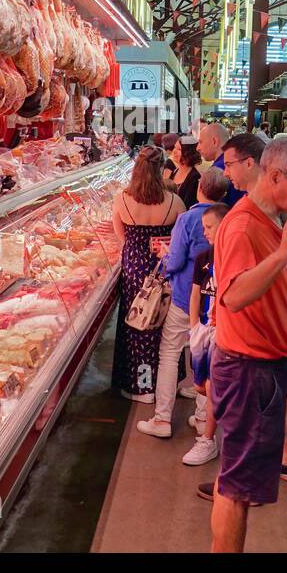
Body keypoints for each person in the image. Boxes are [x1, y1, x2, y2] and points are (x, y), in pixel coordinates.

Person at [206, 135, 287, 552]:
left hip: (260, 367)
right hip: (249, 370)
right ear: (274, 176)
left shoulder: (269, 219)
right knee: (237, 487)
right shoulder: (242, 225)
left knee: (237, 479)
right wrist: (283, 254)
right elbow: (233, 296)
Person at [137, 167, 232, 439]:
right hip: (215, 302)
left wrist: (165, 255)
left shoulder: (189, 218)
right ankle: (203, 417)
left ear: (200, 187)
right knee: (204, 355)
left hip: (183, 298)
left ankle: (162, 418)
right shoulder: (230, 217)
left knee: (169, 353)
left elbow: (177, 262)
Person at [111, 146, 186, 403]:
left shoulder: (122, 199)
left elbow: (120, 234)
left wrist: (136, 246)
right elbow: (181, 240)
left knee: (135, 324)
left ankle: (140, 387)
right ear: (161, 169)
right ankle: (162, 383)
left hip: (134, 266)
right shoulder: (175, 202)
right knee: (161, 325)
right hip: (162, 267)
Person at [181, 203, 228, 466]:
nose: (205, 232)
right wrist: (193, 326)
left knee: (212, 385)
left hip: (224, 332)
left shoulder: (233, 259)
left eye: (209, 227)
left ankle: (208, 439)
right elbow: (196, 293)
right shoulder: (203, 258)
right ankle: (207, 426)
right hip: (203, 330)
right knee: (201, 385)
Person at [197, 122, 243, 205]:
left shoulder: (217, 170)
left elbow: (209, 208)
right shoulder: (236, 163)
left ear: (214, 141)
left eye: (200, 142)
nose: (198, 148)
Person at [169, 137, 203, 208]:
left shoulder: (195, 178)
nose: (174, 151)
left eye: (179, 149)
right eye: (175, 147)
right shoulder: (175, 171)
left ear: (188, 153)